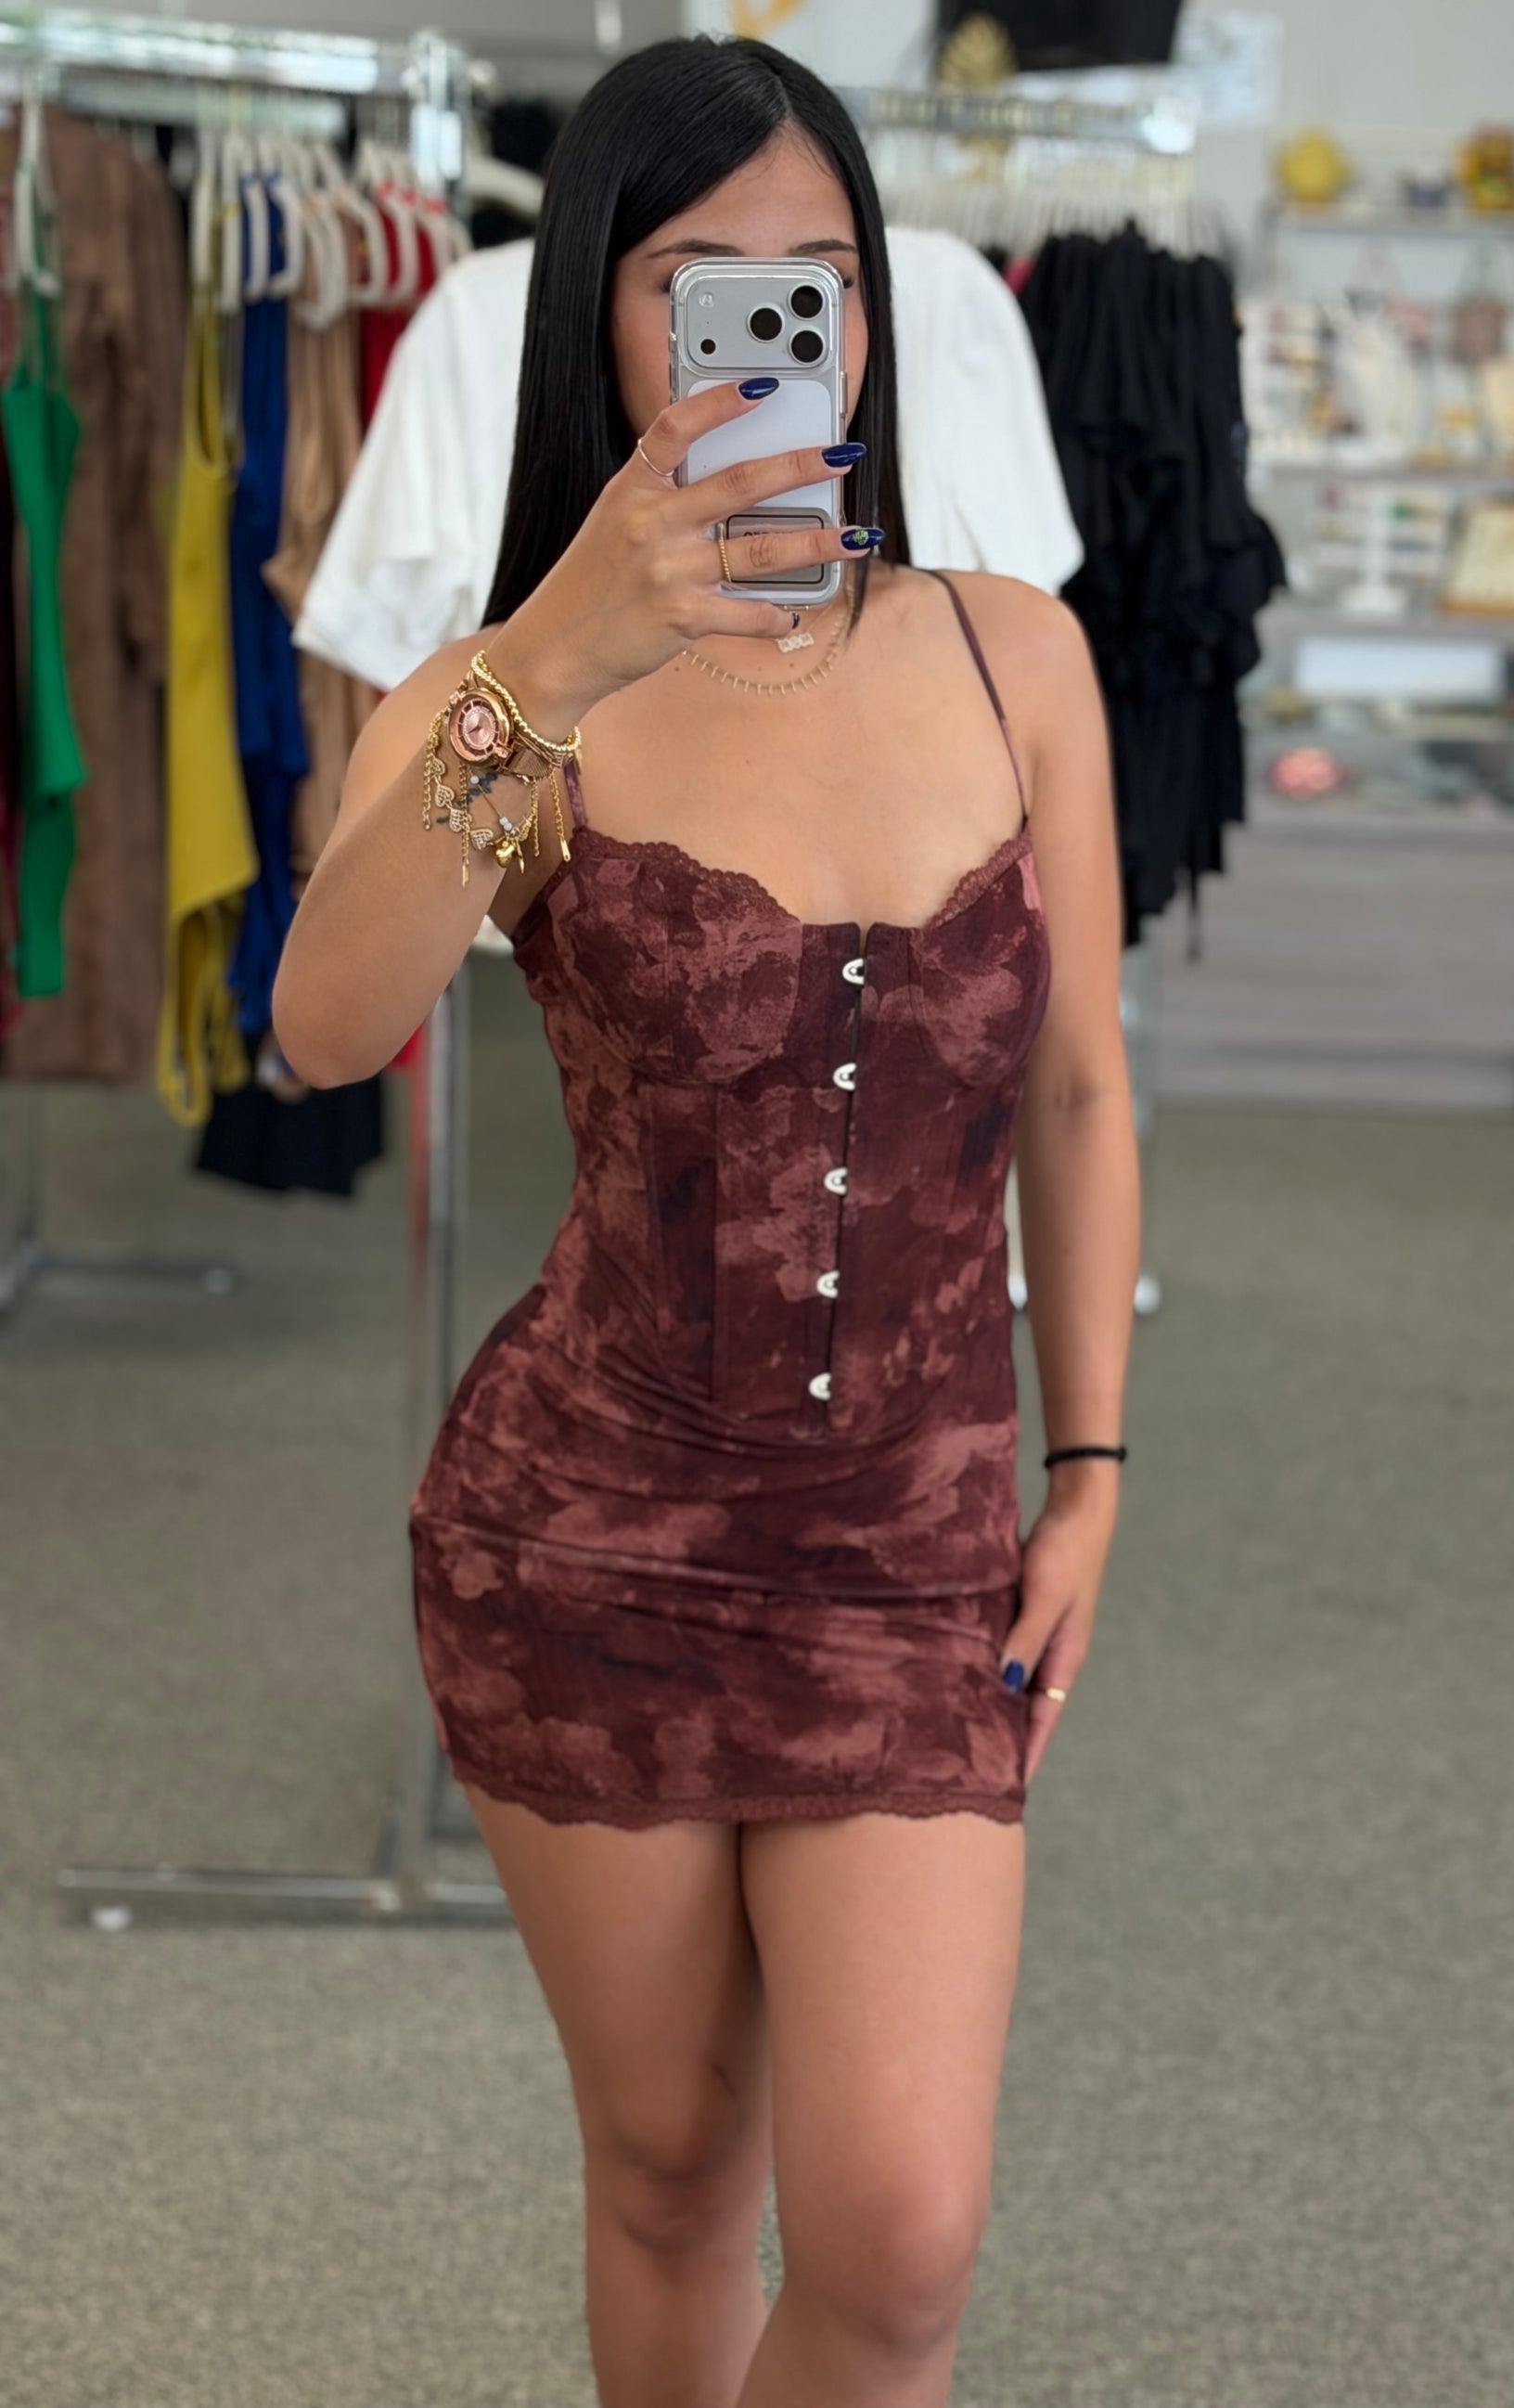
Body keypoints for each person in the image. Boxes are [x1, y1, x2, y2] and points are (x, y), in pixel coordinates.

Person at [273, 35, 1138, 2408]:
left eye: (820, 281)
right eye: (700, 280)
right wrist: (552, 658)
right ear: (599, 315)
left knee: (899, 2240)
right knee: (667, 2166)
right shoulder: (506, 696)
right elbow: (324, 1024)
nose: (777, 330)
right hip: (586, 1539)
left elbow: (1077, 1083)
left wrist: (1090, 1461)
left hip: (915, 1545)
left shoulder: (1014, 652)